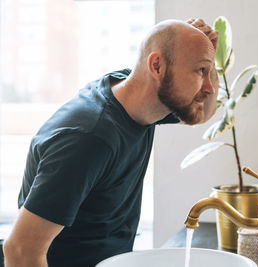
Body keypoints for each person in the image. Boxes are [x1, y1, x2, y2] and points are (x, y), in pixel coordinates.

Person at [3, 18, 219, 267]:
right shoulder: (88, 139)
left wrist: (209, 60)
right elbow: (19, 251)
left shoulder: (141, 97)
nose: (210, 88)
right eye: (201, 71)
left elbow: (202, 113)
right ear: (157, 66)